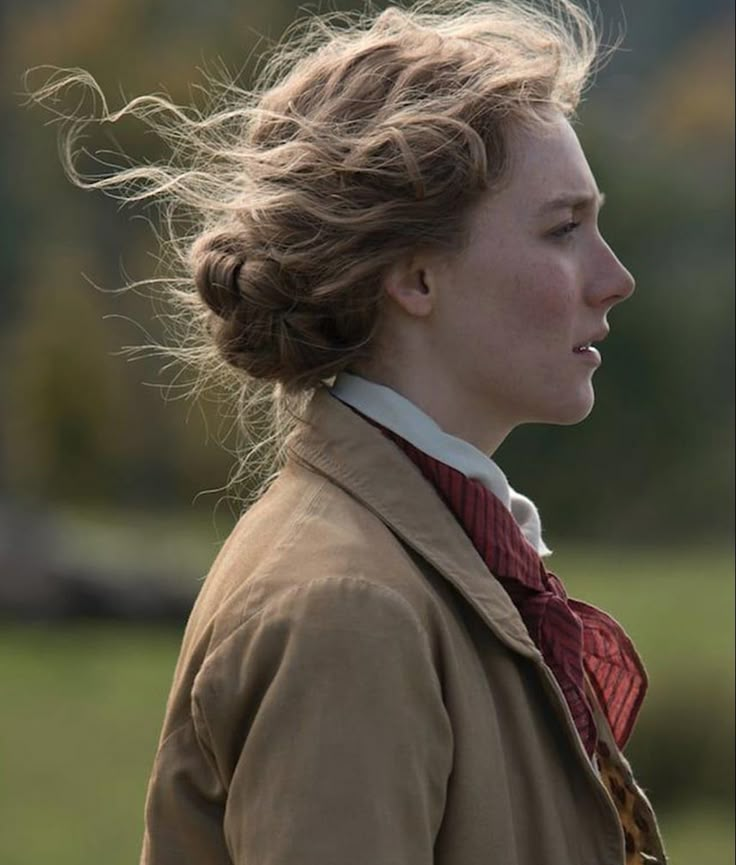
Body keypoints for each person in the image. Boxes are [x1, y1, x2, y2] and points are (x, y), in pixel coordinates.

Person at [31, 1, 668, 862]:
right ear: (414, 275)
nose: (614, 278)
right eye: (563, 229)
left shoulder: (430, 558)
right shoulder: (349, 608)